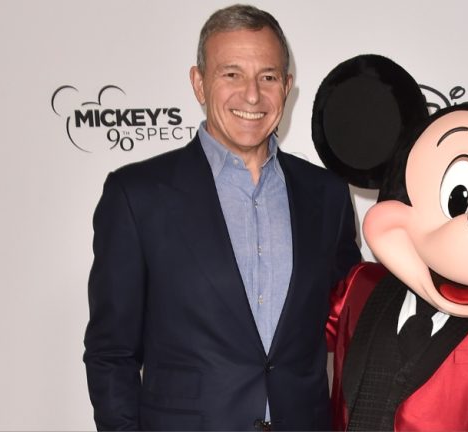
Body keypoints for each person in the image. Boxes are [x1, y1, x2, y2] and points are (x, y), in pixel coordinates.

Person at [83, 4, 361, 431]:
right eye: (231, 74)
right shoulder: (137, 196)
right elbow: (111, 352)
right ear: (198, 82)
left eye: (267, 77)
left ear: (286, 87)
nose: (252, 95)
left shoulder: (326, 194)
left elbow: (346, 320)